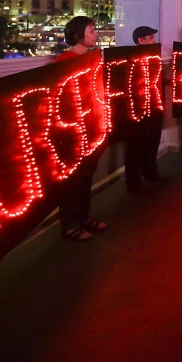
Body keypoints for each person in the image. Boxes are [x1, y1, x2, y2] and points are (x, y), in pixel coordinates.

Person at [54, 16, 108, 241]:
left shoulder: (92, 58)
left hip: (92, 126)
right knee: (73, 180)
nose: (96, 34)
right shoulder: (65, 61)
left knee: (87, 176)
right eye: (92, 30)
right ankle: (70, 223)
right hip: (75, 130)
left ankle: (84, 216)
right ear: (78, 34)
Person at [124, 25, 169, 193]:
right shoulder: (132, 59)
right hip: (140, 109)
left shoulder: (153, 57)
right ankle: (134, 181)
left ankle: (151, 172)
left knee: (152, 140)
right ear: (140, 40)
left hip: (155, 105)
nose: (154, 40)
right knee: (137, 145)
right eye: (150, 37)